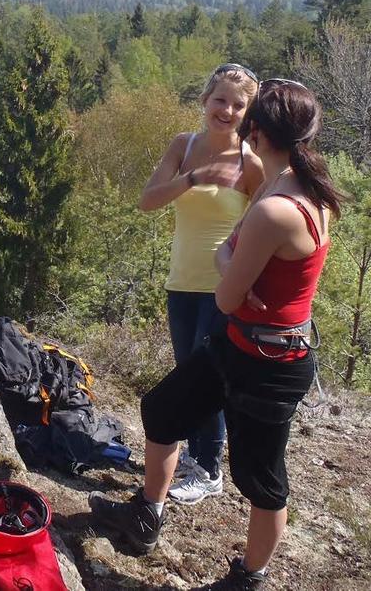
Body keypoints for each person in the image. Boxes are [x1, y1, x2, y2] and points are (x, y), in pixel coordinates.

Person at [90, 79, 343, 590]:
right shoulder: (287, 182)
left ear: (256, 130)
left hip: (271, 363)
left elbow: (226, 291)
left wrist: (230, 264)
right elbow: (228, 253)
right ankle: (147, 515)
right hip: (240, 343)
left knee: (262, 482)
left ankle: (249, 578)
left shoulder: (279, 203)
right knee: (162, 409)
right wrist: (231, 261)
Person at [138, 64, 262, 504]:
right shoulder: (183, 145)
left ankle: (208, 467)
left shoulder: (253, 161)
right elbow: (147, 201)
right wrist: (191, 178)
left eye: (237, 104)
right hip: (181, 281)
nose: (226, 110)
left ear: (248, 112)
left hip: (223, 285)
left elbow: (268, 225)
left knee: (204, 373)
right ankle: (195, 457)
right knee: (186, 370)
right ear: (205, 100)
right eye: (220, 100)